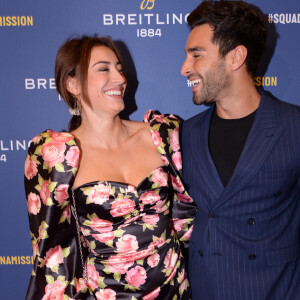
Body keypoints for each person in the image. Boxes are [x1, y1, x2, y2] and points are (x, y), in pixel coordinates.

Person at [24, 35, 196, 299]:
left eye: (119, 68)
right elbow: (52, 255)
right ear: (73, 84)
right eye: (103, 68)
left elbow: (189, 215)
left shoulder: (162, 135)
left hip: (175, 290)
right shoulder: (56, 157)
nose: (119, 78)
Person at [180, 1, 300, 299]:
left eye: (196, 54)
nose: (185, 68)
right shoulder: (185, 135)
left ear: (236, 57)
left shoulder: (294, 127)